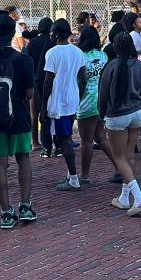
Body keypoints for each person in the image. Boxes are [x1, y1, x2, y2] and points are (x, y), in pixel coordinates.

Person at [0, 13, 36, 229]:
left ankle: (5, 213)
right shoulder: (23, 59)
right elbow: (29, 93)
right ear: (14, 32)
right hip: (18, 117)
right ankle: (26, 206)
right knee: (23, 159)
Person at [99, 32, 141, 216]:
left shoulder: (111, 66)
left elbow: (103, 94)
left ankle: (138, 197)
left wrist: (101, 113)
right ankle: (124, 197)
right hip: (136, 112)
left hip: (117, 115)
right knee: (129, 156)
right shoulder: (139, 66)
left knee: (119, 157)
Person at [42, 19, 87, 191]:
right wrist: (79, 96)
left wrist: (43, 106)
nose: (51, 35)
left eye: (53, 32)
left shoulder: (52, 53)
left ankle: (74, 179)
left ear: (58, 34)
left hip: (58, 101)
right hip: (72, 99)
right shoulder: (77, 52)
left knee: (65, 140)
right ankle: (70, 175)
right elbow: (83, 77)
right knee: (66, 137)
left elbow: (48, 81)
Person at [76, 25, 111, 183]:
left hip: (87, 100)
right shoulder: (103, 55)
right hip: (102, 99)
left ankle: (84, 174)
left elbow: (80, 80)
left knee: (86, 140)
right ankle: (121, 166)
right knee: (100, 137)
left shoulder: (81, 57)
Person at [25, 18, 54, 154]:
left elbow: (27, 62)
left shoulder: (32, 43)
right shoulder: (53, 42)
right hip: (51, 79)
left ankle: (35, 141)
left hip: (35, 80)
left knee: (35, 112)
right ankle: (54, 141)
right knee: (51, 111)